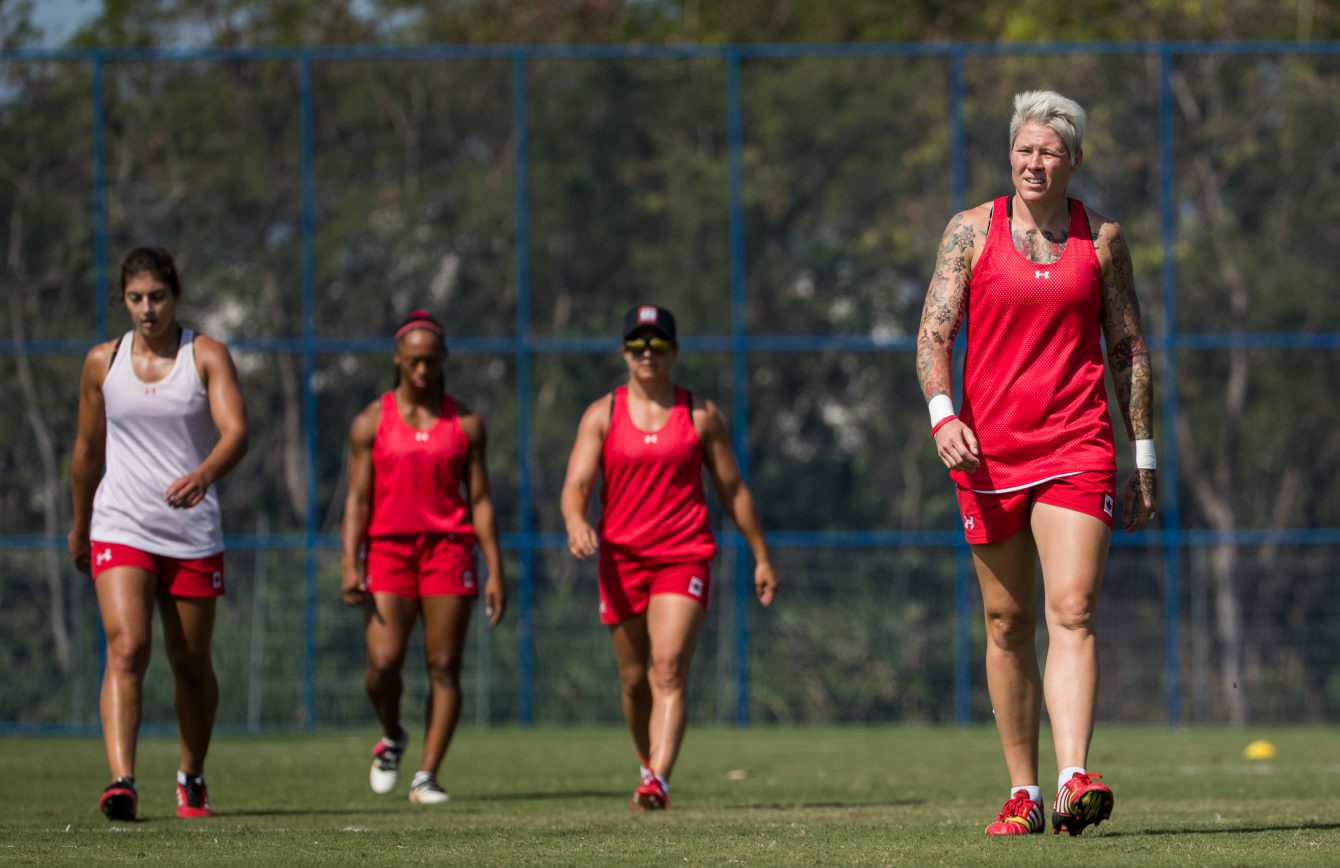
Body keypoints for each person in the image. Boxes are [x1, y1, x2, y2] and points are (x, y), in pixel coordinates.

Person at [914, 91, 1157, 837]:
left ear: (1074, 161)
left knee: (1073, 609)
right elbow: (932, 336)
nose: (1034, 161)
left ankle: (1073, 776)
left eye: (1049, 151)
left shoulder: (1102, 239)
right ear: (1009, 156)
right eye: (1024, 149)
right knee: (1006, 621)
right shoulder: (969, 232)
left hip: (1079, 448)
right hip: (988, 453)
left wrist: (1142, 459)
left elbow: (1129, 350)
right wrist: (943, 414)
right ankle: (1022, 790)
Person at [560, 304, 778, 811]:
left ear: (674, 353)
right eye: (637, 345)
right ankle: (647, 766)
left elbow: (733, 489)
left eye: (658, 345)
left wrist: (761, 555)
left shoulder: (700, 416)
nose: (647, 354)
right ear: (624, 353)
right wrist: (576, 521)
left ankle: (658, 779)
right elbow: (576, 485)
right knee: (635, 682)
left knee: (668, 669)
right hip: (620, 561)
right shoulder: (602, 414)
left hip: (683, 557)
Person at [69, 246, 249, 821]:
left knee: (190, 662)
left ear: (176, 294)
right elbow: (86, 451)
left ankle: (191, 775)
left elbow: (235, 432)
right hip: (121, 522)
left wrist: (204, 475)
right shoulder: (103, 361)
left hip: (191, 530)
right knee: (127, 647)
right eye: (136, 299)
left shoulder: (207, 355)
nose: (147, 310)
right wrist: (80, 524)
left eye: (158, 297)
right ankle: (121, 781)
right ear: (123, 300)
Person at [341, 309, 507, 805]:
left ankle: (426, 776)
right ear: (397, 359)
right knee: (382, 664)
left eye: (430, 361)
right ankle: (393, 735)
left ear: (443, 361)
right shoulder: (372, 422)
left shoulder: (467, 424)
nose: (421, 370)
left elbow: (479, 502)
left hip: (448, 551)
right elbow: (358, 500)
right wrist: (350, 562)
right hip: (389, 552)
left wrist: (495, 568)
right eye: (412, 361)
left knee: (444, 665)